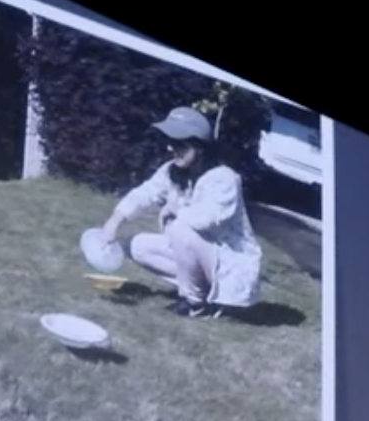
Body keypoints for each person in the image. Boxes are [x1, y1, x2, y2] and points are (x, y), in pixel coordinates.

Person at [96, 107, 262, 319]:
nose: (171, 148)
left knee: (180, 228)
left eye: (179, 144)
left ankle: (195, 303)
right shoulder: (172, 171)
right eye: (170, 142)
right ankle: (199, 290)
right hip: (202, 255)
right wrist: (115, 221)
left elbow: (207, 219)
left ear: (199, 147)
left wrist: (175, 210)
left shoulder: (224, 178)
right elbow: (146, 192)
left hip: (229, 263)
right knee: (135, 246)